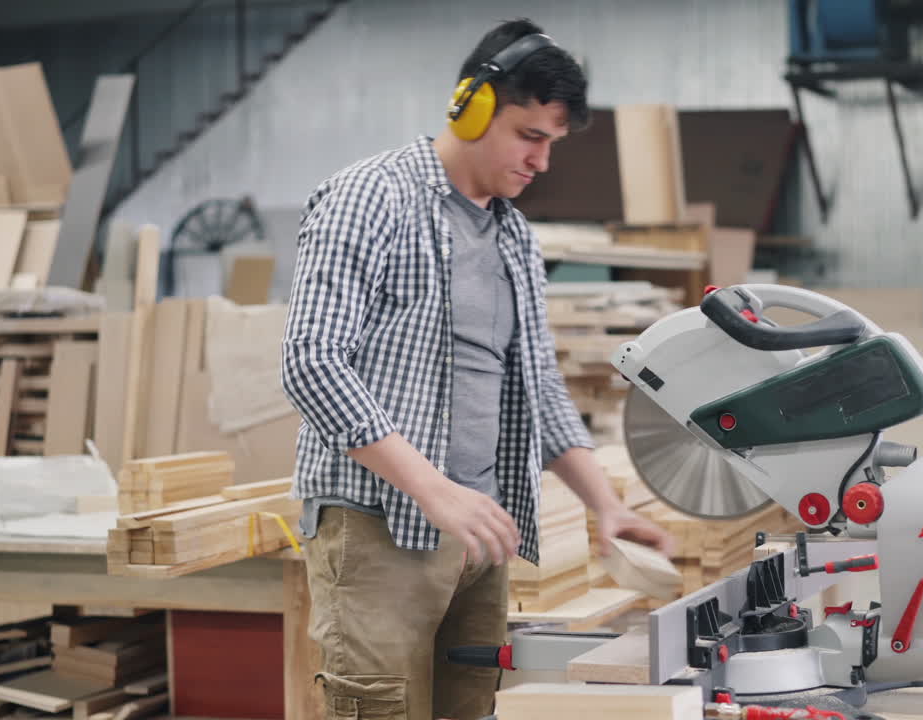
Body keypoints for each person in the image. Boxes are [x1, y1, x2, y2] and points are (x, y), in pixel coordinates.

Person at [280, 18, 676, 720]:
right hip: (379, 529)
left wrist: (606, 506)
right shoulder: (372, 197)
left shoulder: (512, 234)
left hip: (481, 532)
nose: (541, 162)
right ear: (473, 107)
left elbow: (539, 385)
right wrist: (435, 491)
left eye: (552, 144)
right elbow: (312, 362)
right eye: (529, 137)